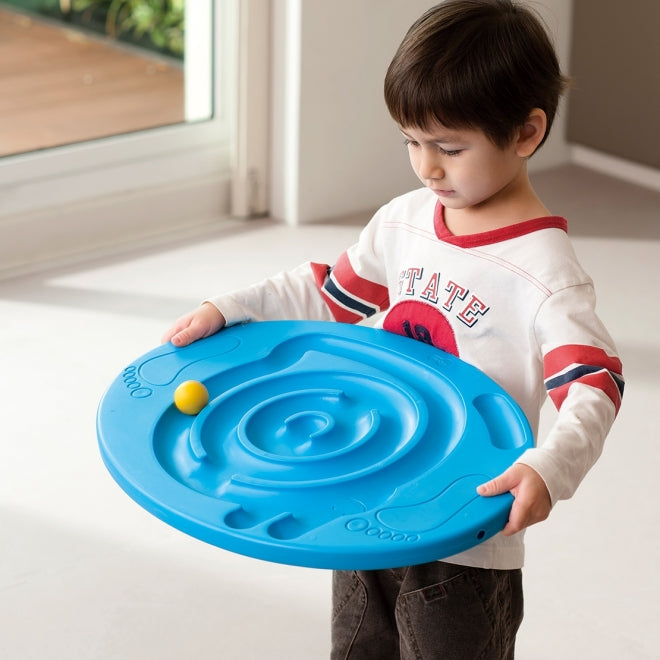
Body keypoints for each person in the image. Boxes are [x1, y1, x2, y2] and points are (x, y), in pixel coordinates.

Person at [163, 1, 624, 657]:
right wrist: (232, 308)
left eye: (450, 148)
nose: (426, 167)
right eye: (411, 141)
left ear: (526, 132)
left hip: (464, 536)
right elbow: (330, 292)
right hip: (365, 505)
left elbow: (593, 385)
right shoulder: (405, 220)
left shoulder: (546, 273)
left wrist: (552, 468)